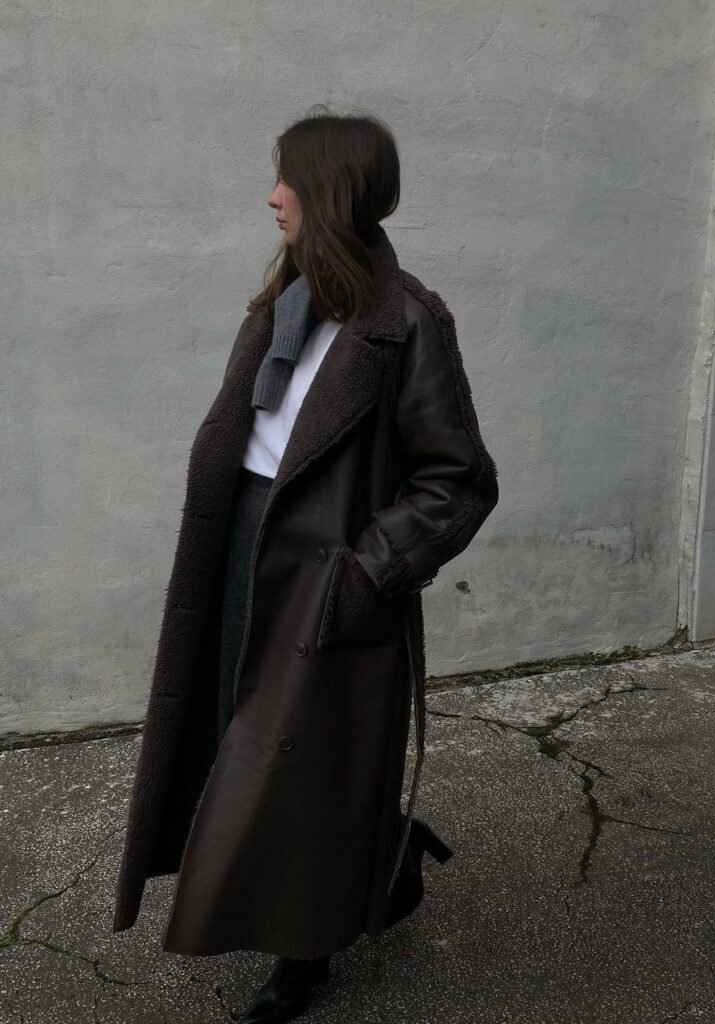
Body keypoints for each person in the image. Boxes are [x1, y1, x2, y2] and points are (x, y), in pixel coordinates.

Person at [112, 106, 500, 1023]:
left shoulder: (408, 323)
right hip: (241, 550)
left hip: (327, 577)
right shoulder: (285, 300)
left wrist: (367, 571)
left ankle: (306, 954)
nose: (271, 195)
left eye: (285, 177)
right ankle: (386, 853)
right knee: (234, 741)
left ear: (329, 192)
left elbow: (458, 480)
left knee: (295, 768)